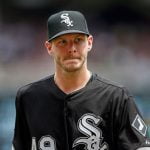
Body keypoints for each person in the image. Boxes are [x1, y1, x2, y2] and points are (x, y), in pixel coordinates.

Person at [12, 10, 150, 150]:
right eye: (62, 42)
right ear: (49, 48)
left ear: (89, 43)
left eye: (78, 40)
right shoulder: (28, 97)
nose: (71, 48)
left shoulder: (117, 97)